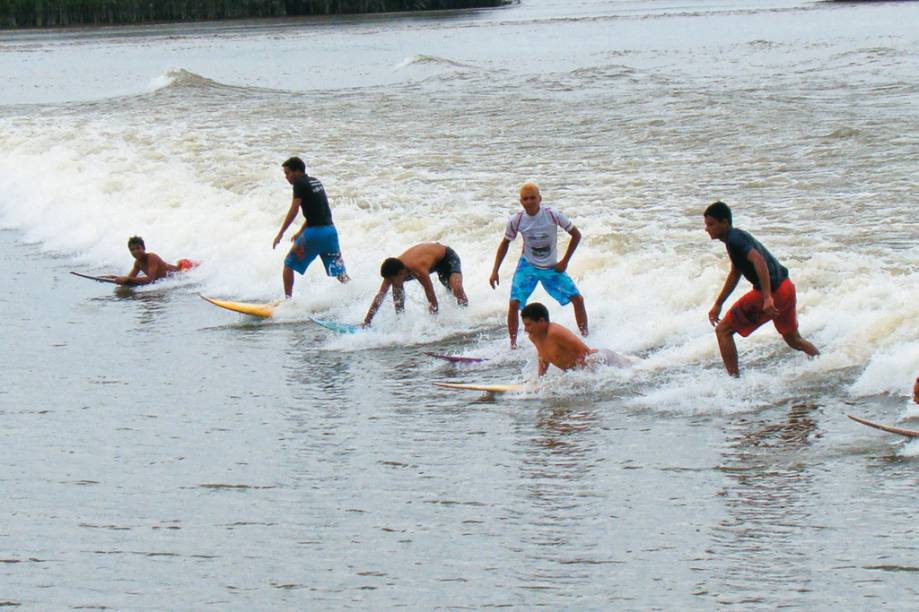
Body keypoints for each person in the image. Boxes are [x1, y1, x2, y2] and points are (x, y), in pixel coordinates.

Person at [704, 201, 819, 376]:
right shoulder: (735, 238)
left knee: (723, 331)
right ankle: (823, 362)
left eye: (711, 224)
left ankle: (734, 381)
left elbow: (758, 260)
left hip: (773, 293)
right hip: (786, 288)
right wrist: (718, 303)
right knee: (794, 340)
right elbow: (735, 273)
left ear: (725, 223)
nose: (707, 229)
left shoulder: (734, 239)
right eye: (706, 225)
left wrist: (766, 297)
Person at [489, 182, 587, 349]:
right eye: (525, 199)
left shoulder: (552, 215)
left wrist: (565, 261)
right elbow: (505, 244)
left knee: (577, 299)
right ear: (521, 201)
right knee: (514, 304)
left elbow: (576, 235)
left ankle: (585, 338)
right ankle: (512, 346)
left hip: (551, 268)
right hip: (528, 267)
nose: (529, 202)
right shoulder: (516, 220)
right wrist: (495, 271)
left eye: (532, 198)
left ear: (539, 199)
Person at [272, 156, 349, 298]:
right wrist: (301, 231)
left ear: (297, 171)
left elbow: (294, 210)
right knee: (339, 272)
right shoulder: (315, 181)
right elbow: (316, 211)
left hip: (315, 234)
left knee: (288, 264)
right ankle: (354, 295)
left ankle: (287, 301)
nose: (286, 177)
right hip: (330, 232)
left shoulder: (299, 184)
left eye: (287, 173)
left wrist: (281, 233)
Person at [362, 242, 468, 326]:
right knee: (397, 290)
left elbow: (431, 297)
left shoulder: (418, 269)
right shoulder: (392, 273)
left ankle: (466, 316)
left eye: (392, 279)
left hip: (446, 257)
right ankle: (400, 321)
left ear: (401, 273)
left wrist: (434, 325)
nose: (390, 282)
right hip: (430, 261)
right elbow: (380, 296)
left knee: (456, 288)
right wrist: (367, 321)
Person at [520, 302, 630, 376]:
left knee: (634, 372)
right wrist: (540, 378)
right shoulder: (534, 336)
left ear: (541, 321)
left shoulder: (555, 332)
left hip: (604, 360)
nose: (526, 329)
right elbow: (543, 355)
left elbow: (586, 353)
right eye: (525, 325)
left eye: (529, 325)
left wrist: (584, 379)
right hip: (587, 367)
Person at [107, 236, 194, 286]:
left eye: (138, 248)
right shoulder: (138, 263)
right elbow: (131, 278)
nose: (135, 251)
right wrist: (115, 277)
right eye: (132, 250)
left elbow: (149, 280)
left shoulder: (151, 257)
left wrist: (127, 279)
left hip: (182, 270)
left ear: (144, 248)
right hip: (168, 276)